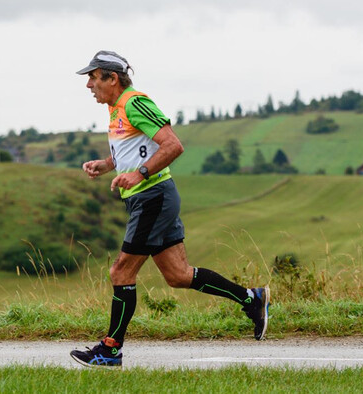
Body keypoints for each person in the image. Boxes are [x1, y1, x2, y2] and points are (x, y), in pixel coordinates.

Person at [70, 50, 270, 368]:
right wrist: (107, 164)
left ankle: (110, 350)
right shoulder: (116, 109)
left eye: (93, 77)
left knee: (121, 271)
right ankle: (252, 298)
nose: (89, 85)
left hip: (153, 197)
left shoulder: (134, 103)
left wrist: (140, 174)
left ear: (112, 78)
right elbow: (137, 147)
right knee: (177, 275)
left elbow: (173, 144)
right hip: (150, 197)